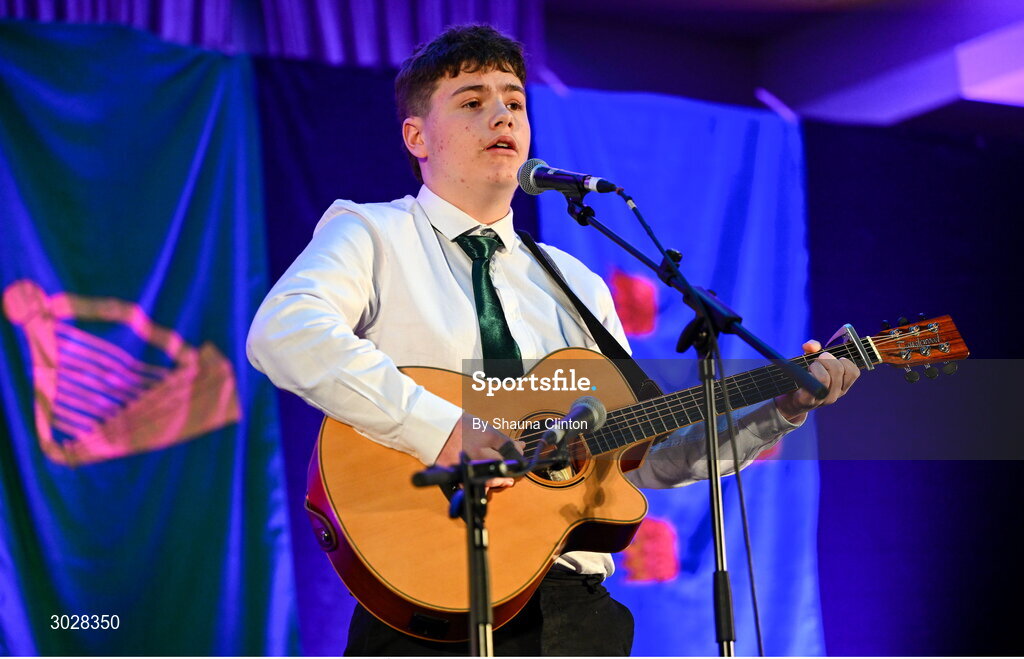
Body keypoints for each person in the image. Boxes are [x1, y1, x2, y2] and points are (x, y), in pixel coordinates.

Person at [246, 24, 859, 656]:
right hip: (428, 598)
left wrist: (781, 410)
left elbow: (649, 458)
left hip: (574, 616)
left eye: (513, 100)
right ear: (416, 136)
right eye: (472, 101)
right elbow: (284, 331)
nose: (502, 115)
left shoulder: (577, 284)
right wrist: (442, 428)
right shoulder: (373, 234)